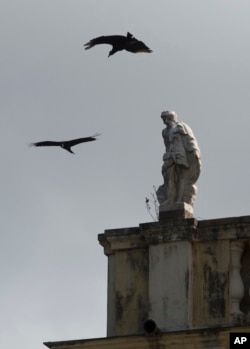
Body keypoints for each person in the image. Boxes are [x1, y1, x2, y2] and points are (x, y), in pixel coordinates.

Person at [157, 111, 201, 207]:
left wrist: (194, 151)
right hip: (170, 156)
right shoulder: (165, 132)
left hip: (181, 155)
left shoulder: (182, 127)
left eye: (165, 119)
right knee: (169, 178)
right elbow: (167, 145)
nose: (164, 121)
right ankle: (170, 199)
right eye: (163, 119)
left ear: (171, 118)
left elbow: (190, 140)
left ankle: (180, 200)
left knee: (182, 178)